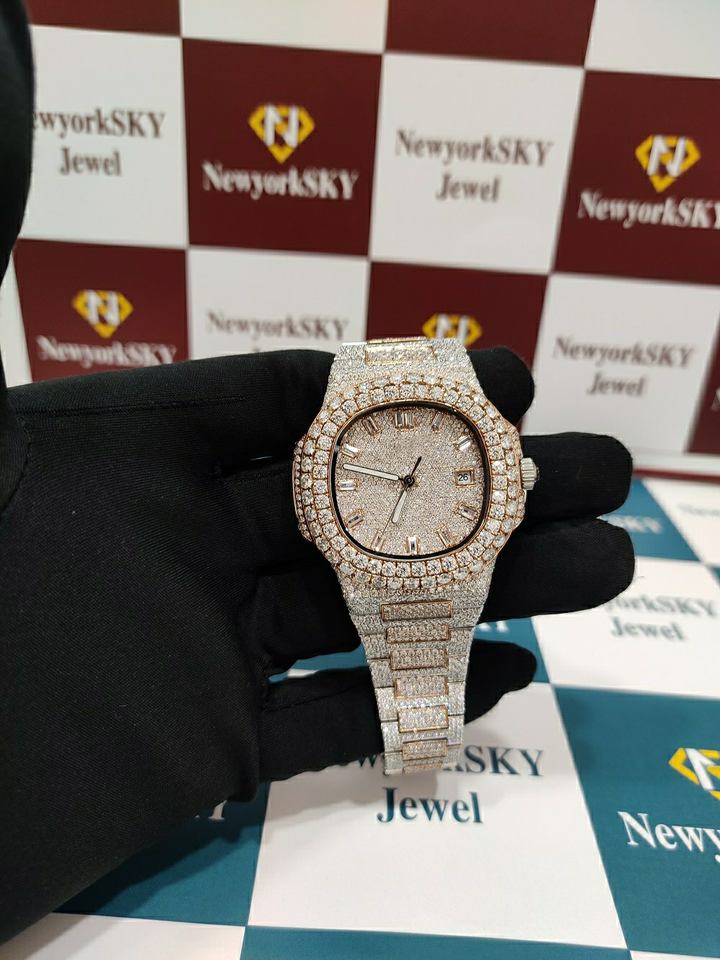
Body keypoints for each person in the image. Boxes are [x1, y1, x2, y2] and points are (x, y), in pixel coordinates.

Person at [0, 0, 633, 944]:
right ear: (313, 492)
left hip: (441, 559)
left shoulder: (470, 488)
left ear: (509, 481)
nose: (410, 482)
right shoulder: (321, 490)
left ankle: (420, 713)